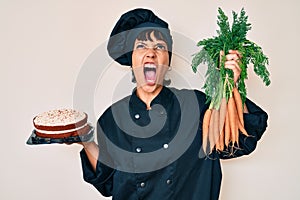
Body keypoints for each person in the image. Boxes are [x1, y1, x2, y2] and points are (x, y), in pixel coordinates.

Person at [78, 8, 268, 200]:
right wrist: (85, 140)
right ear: (131, 59)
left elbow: (244, 139)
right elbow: (107, 182)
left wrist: (231, 85)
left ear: (168, 61)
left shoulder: (198, 106)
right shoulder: (112, 118)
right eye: (141, 46)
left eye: (159, 47)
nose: (151, 53)